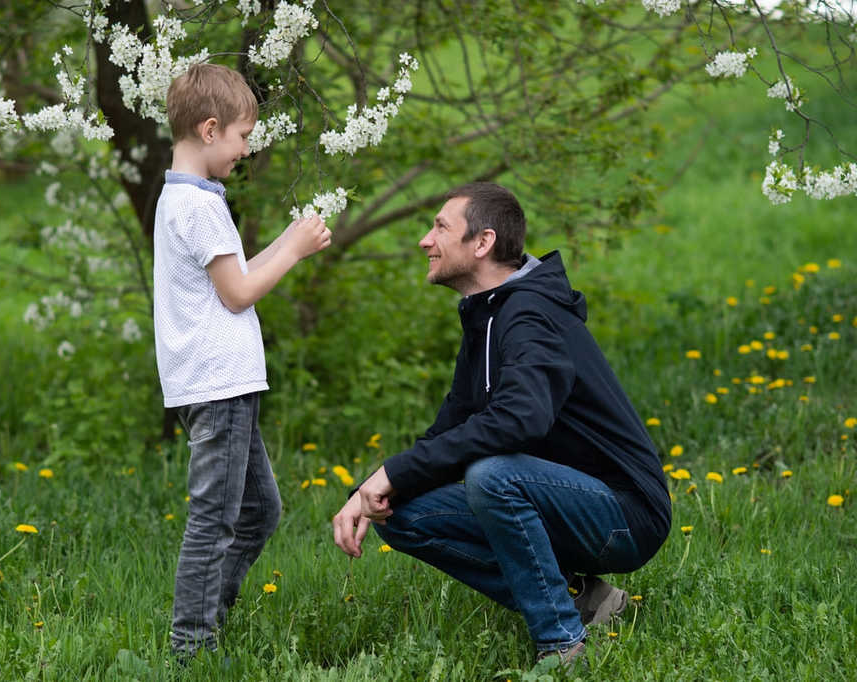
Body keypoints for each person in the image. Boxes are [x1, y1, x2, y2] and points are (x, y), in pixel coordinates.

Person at [332, 182, 670, 667]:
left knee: (493, 475)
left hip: (625, 513)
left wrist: (394, 470)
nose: (426, 241)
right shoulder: (487, 318)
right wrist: (375, 485)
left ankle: (561, 646)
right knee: (399, 510)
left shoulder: (529, 313)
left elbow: (519, 421)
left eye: (440, 227)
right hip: (561, 499)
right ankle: (585, 600)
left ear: (483, 242)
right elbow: (451, 428)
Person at [154, 63, 332, 659]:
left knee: (258, 510)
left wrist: (288, 241)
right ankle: (193, 647)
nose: (246, 149)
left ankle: (208, 624)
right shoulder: (199, 206)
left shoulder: (186, 197)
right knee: (216, 519)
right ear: (210, 130)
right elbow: (239, 292)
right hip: (218, 383)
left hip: (214, 383)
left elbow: (232, 273)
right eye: (242, 136)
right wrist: (297, 252)